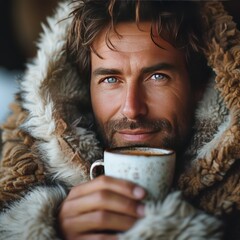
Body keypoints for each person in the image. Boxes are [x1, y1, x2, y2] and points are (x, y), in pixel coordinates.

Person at [0, 0, 239, 239]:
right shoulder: (39, 188)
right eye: (111, 80)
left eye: (157, 76)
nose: (131, 109)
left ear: (198, 86)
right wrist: (52, 229)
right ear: (86, 89)